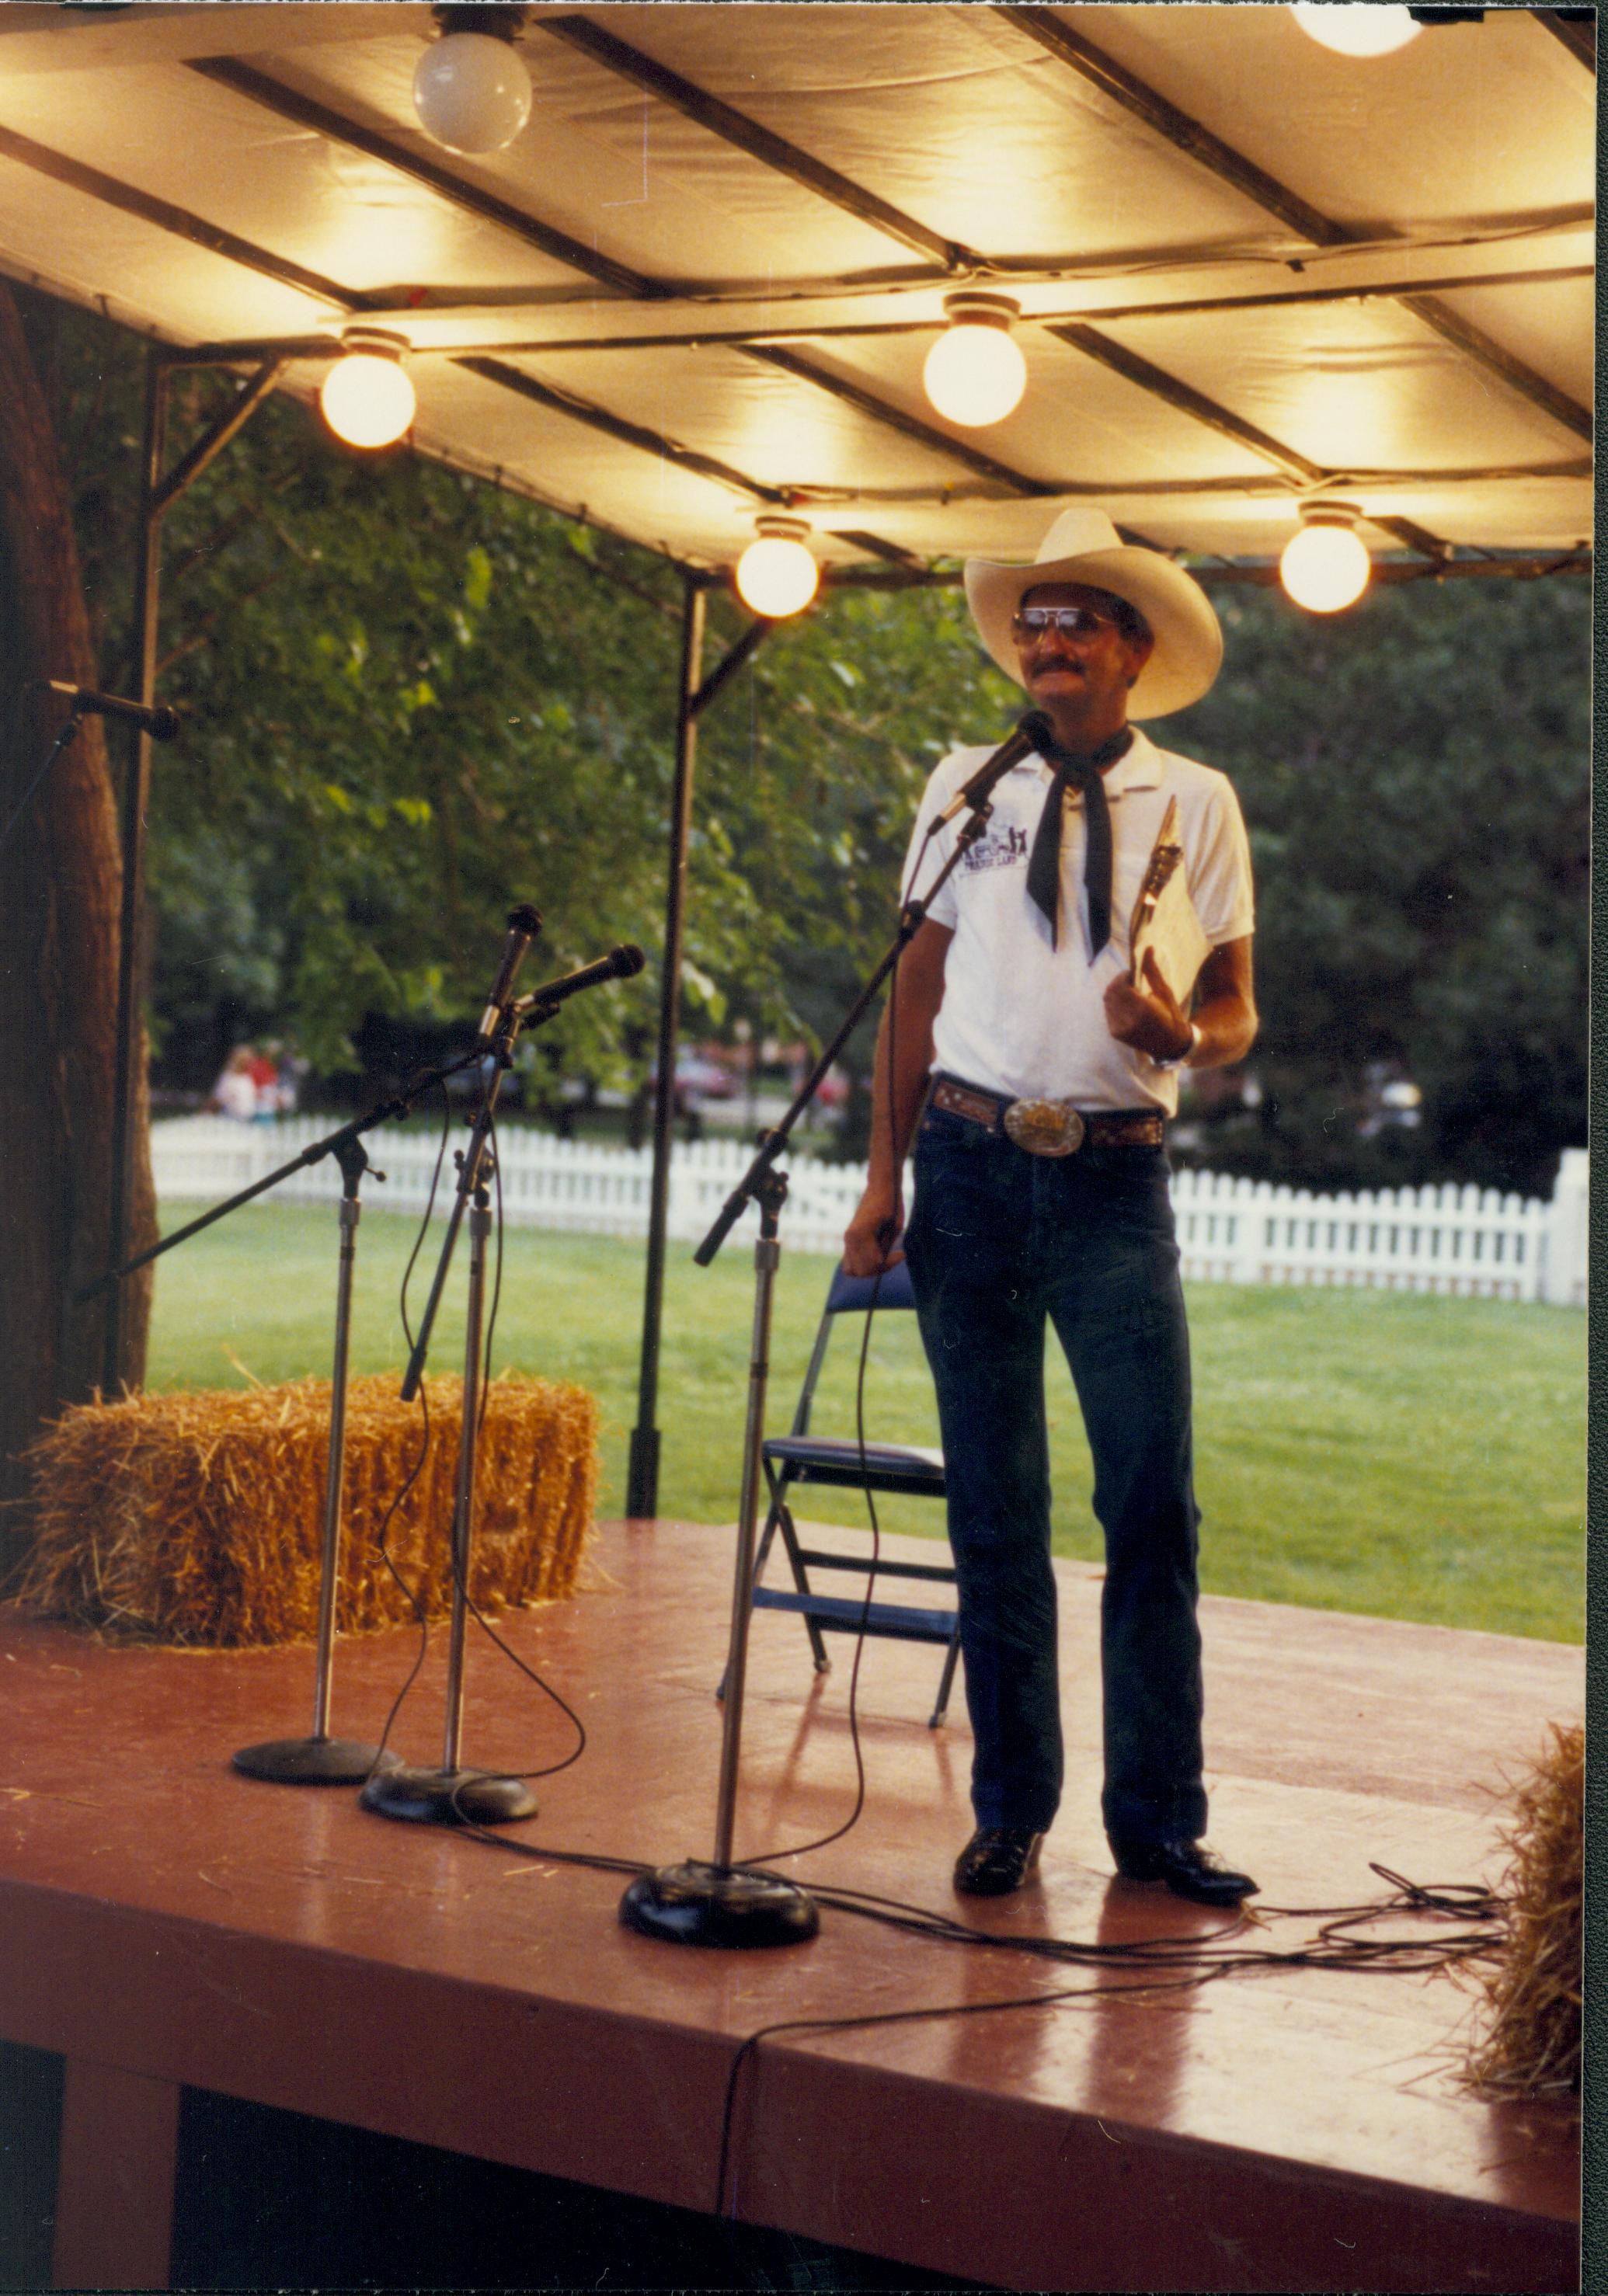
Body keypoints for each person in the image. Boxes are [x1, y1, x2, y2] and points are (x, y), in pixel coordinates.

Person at [844, 508, 1259, 1908]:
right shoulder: (964, 787)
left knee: (1149, 1501)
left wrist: (1181, 1033)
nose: (1048, 641)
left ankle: (1156, 1822)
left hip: (1110, 1178)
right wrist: (880, 1177)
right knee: (992, 1506)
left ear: (1135, 650)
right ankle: (1010, 1808)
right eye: (1033, 621)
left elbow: (1235, 1008)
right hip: (964, 1166)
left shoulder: (1192, 799)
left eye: (1078, 619)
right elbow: (910, 993)